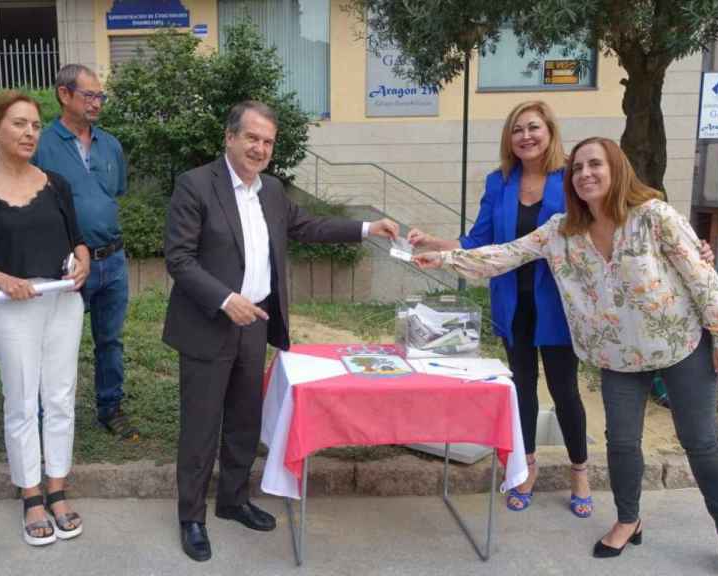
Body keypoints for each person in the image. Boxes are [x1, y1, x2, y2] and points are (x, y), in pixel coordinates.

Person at [414, 137, 718, 576]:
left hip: (681, 344)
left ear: (617, 169)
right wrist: (446, 259)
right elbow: (503, 256)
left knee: (701, 443)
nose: (585, 174)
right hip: (617, 356)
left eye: (595, 164)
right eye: (577, 168)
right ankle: (629, 520)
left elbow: (700, 275)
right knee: (621, 443)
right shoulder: (561, 231)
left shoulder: (653, 216)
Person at [163, 100, 399, 562]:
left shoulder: (270, 190)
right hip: (209, 324)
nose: (260, 148)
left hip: (255, 324)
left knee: (245, 421)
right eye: (252, 138)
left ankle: (232, 500)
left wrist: (369, 226)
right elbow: (179, 259)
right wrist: (225, 299)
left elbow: (309, 226)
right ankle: (191, 517)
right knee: (201, 426)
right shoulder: (195, 185)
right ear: (229, 137)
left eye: (268, 142)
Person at [408, 100, 591, 515]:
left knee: (565, 391)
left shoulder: (571, 179)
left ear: (549, 131)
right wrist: (435, 244)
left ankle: (580, 470)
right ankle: (526, 467)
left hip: (559, 307)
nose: (525, 136)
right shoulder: (500, 182)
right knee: (520, 389)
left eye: (533, 128)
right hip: (513, 305)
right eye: (517, 130)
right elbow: (479, 242)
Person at [0, 91, 91, 547]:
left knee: (62, 397)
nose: (30, 132)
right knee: (23, 401)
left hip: (61, 301)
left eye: (35, 125)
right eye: (19, 124)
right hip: (10, 309)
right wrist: (3, 279)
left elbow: (78, 239)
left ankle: (58, 487)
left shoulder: (56, 183)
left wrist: (83, 260)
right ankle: (31, 495)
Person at [33, 64, 137, 438]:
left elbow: (114, 195)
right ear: (64, 94)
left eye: (100, 96)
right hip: (67, 265)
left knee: (110, 340)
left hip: (113, 260)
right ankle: (50, 417)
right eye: (89, 95)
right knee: (57, 345)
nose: (97, 103)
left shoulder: (110, 145)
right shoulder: (41, 144)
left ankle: (111, 408)